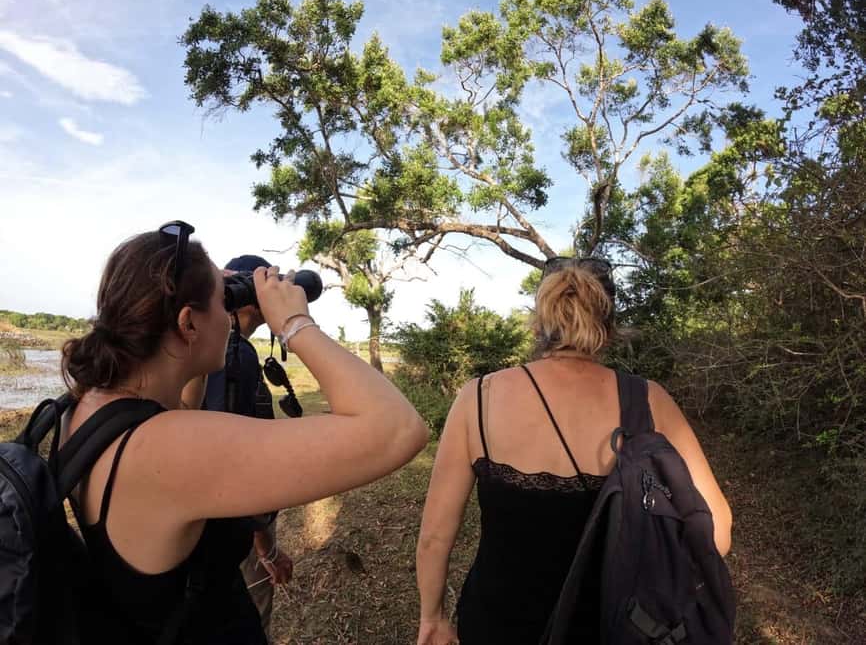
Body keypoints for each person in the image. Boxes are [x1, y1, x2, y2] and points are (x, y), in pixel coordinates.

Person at [59, 221, 428, 644]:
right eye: (222, 302)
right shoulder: (169, 450)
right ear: (188, 323)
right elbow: (398, 428)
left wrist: (193, 353)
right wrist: (294, 323)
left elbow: (178, 410)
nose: (229, 316)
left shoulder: (85, 406)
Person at [414, 257, 732, 645]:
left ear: (538, 320)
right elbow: (717, 532)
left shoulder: (479, 397)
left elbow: (433, 537)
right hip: (615, 629)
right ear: (610, 324)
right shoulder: (650, 401)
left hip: (495, 623)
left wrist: (432, 617)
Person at [195, 254, 292, 643]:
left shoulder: (219, 349)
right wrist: (265, 548)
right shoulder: (234, 354)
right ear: (253, 297)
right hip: (237, 532)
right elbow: (231, 462)